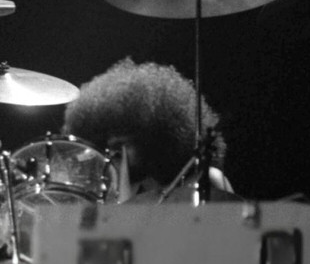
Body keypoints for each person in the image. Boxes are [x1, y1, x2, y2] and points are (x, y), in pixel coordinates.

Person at [62, 57, 237, 203]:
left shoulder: (205, 179)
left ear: (153, 141)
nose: (114, 155)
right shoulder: (118, 192)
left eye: (122, 146)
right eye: (110, 148)